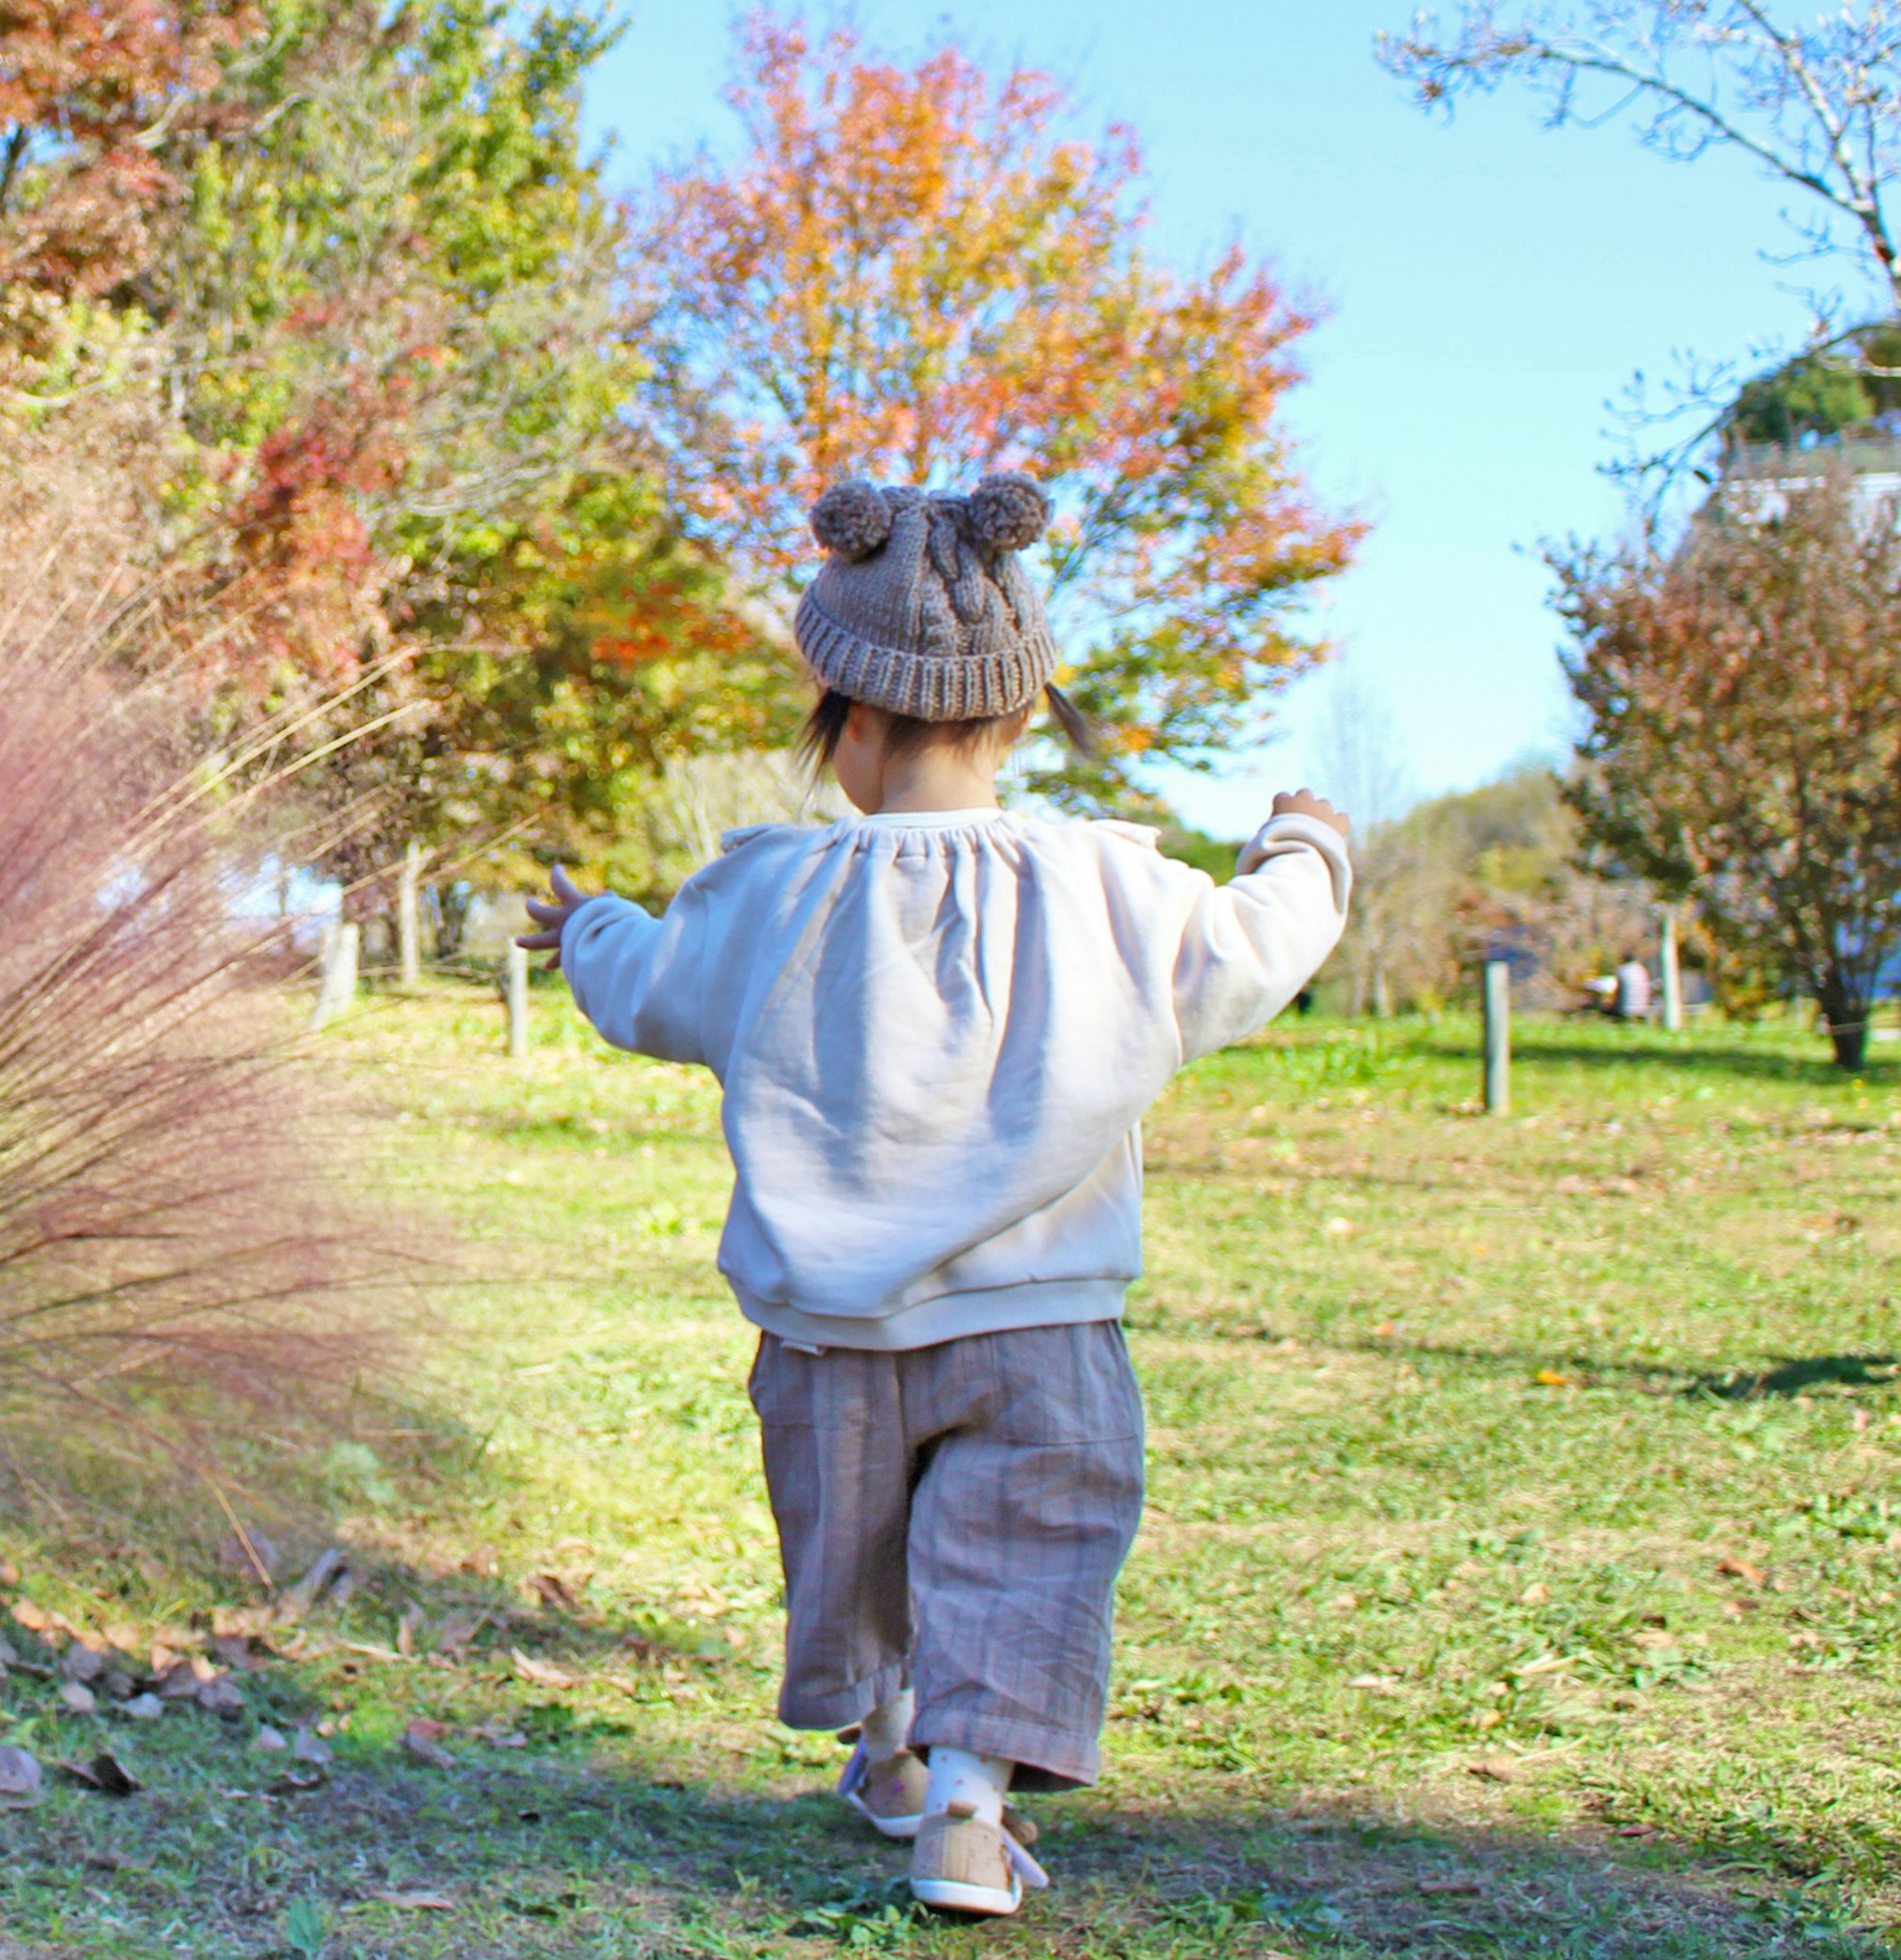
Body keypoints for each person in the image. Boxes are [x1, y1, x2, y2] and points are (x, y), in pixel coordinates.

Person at [520, 471, 1349, 1919]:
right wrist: (1306, 844)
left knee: (855, 1569)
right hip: (1041, 1327)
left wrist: (586, 923)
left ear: (842, 720)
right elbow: (1253, 947)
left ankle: (889, 1747)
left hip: (832, 1338)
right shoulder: (1106, 886)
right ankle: (966, 1802)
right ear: (1021, 716)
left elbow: (647, 987)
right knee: (1023, 1554)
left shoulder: (766, 893)